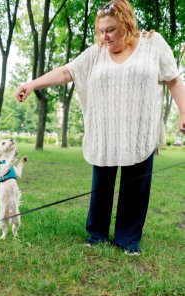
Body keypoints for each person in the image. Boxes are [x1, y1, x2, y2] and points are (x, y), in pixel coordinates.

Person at [15, 0, 185, 255]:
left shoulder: (153, 44)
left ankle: (128, 240)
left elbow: (173, 78)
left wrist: (184, 112)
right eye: (101, 30)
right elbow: (66, 72)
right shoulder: (97, 52)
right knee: (102, 185)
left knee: (135, 186)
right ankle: (97, 235)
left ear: (126, 25)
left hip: (139, 129)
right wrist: (32, 84)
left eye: (111, 30)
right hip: (106, 130)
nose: (105, 36)